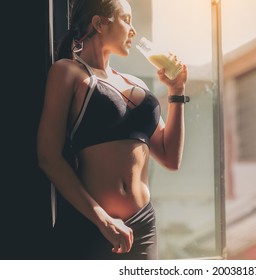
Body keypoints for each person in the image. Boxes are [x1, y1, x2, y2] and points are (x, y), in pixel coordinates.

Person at [37, 0, 188, 260]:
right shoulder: (68, 72)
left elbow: (170, 157)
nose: (133, 30)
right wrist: (103, 221)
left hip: (143, 228)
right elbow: (48, 157)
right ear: (99, 23)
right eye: (126, 20)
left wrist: (177, 91)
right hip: (91, 226)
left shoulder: (136, 84)